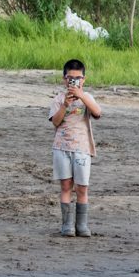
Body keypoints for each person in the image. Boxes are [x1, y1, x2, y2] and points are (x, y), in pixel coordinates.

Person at [49, 59, 102, 237]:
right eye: (70, 78)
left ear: (84, 79)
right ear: (64, 79)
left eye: (78, 78)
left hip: (82, 148)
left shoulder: (87, 97)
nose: (74, 81)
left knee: (82, 187)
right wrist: (65, 104)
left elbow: (97, 112)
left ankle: (82, 225)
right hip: (61, 147)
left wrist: (82, 96)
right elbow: (55, 122)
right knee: (66, 186)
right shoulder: (59, 99)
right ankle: (67, 225)